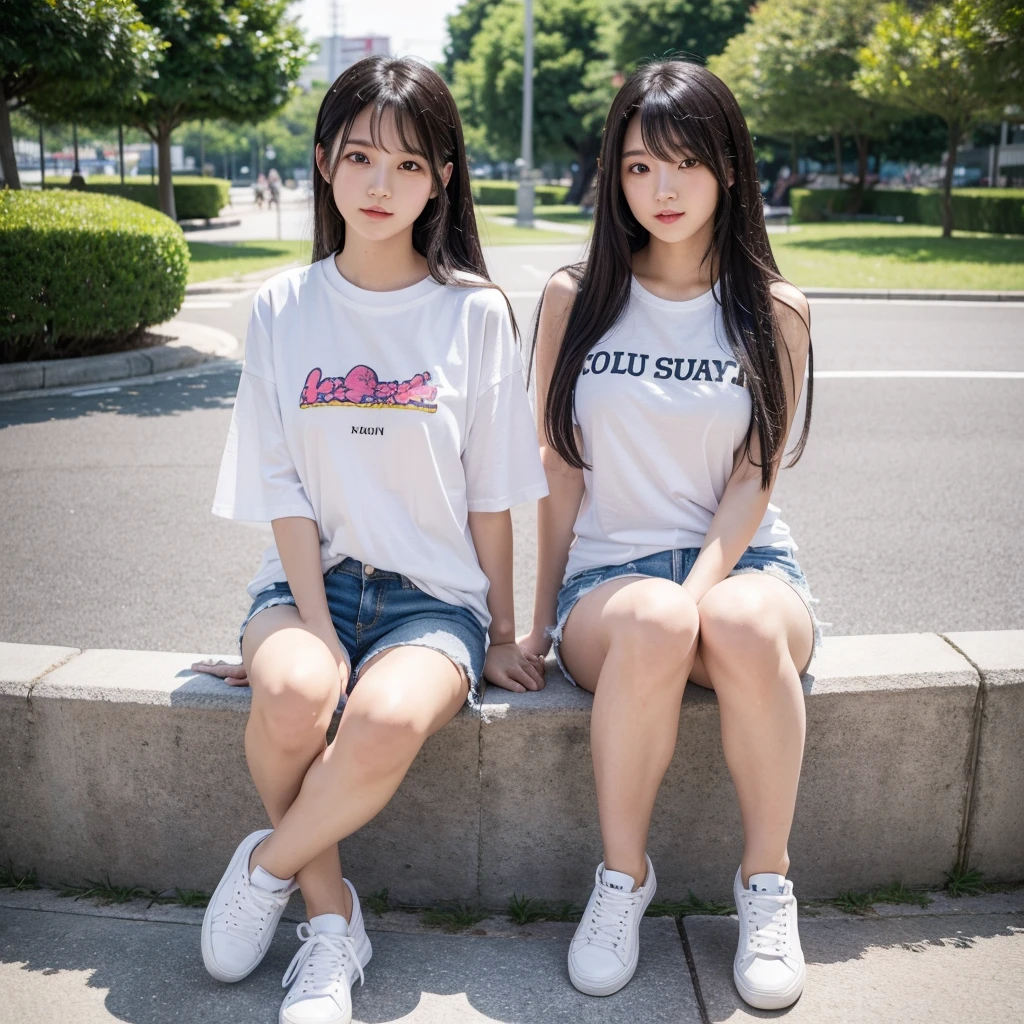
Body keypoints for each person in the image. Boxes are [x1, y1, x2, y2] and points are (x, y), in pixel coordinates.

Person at [194, 55, 548, 1024]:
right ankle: (328, 920)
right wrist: (315, 628)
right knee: (299, 689)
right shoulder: (280, 305)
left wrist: (505, 630)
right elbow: (281, 485)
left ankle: (267, 866)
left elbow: (494, 493)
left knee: (384, 718)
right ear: (321, 163)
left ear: (440, 177)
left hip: (434, 601)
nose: (380, 183)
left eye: (407, 163)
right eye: (358, 157)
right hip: (309, 582)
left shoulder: (473, 311)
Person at [519, 59, 819, 1011]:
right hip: (610, 585)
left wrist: (701, 588)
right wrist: (530, 625)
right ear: (615, 176)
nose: (664, 189)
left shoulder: (774, 311)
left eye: (686, 163)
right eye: (641, 167)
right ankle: (621, 881)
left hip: (746, 566)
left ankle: (765, 885)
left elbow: (752, 480)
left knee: (729, 622)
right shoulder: (574, 299)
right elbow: (557, 472)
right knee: (653, 619)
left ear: (729, 168)